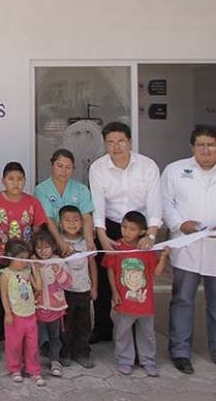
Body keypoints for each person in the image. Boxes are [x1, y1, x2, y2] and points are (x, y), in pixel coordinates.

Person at [89, 121, 162, 343]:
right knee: (103, 277)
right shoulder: (98, 168)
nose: (116, 147)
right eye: (110, 143)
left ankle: (135, 331)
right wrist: (102, 237)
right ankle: (102, 327)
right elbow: (98, 206)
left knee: (136, 278)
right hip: (110, 225)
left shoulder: (148, 166)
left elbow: (154, 203)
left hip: (140, 227)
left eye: (121, 141)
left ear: (129, 141)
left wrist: (150, 235)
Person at [161, 125, 216, 374]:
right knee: (183, 300)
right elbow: (165, 203)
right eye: (201, 145)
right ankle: (180, 352)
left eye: (212, 145)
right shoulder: (175, 170)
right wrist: (179, 224)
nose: (207, 150)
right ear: (192, 147)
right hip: (187, 246)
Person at [0, 161, 46, 362]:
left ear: (25, 181)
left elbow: (37, 231)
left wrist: (34, 255)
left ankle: (23, 342)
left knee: (22, 301)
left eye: (20, 179)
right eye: (11, 179)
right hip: (0, 261)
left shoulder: (32, 202)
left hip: (23, 264)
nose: (15, 183)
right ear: (3, 181)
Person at [103, 211, 170, 377]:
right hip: (124, 302)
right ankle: (125, 360)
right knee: (122, 332)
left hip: (145, 303)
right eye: (124, 227)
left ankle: (148, 361)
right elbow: (110, 269)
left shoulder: (147, 250)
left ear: (142, 232)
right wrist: (114, 292)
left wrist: (164, 257)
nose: (126, 232)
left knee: (147, 333)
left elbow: (158, 273)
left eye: (131, 229)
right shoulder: (117, 247)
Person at [0, 240, 45, 386]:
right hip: (15, 315)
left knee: (32, 344)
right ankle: (15, 368)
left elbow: (38, 287)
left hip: (30, 314)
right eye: (21, 258)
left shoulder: (26, 271)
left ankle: (34, 370)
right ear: (10, 256)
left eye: (26, 258)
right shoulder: (5, 274)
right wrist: (7, 312)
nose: (24, 262)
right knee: (14, 344)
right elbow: (4, 295)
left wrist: (36, 270)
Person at [34, 149, 95, 256]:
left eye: (68, 167)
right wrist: (59, 241)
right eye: (59, 166)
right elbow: (49, 218)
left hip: (78, 239)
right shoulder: (41, 190)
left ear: (73, 169)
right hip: (52, 240)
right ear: (52, 166)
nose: (64, 171)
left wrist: (89, 241)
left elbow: (86, 217)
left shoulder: (81, 189)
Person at [58, 205, 97, 368]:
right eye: (67, 220)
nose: (72, 223)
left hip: (84, 289)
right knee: (66, 323)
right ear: (60, 223)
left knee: (84, 323)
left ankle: (82, 351)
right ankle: (65, 351)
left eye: (76, 220)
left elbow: (92, 264)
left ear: (82, 223)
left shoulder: (86, 242)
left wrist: (94, 287)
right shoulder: (59, 242)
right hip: (65, 291)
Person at [32, 230, 72, 378]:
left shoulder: (59, 262)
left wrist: (58, 272)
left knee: (55, 337)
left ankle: (55, 361)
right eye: (38, 247)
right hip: (38, 308)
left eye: (46, 247)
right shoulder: (32, 262)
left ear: (54, 246)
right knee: (35, 337)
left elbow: (68, 283)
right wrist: (35, 270)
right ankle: (32, 361)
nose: (42, 251)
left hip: (56, 308)